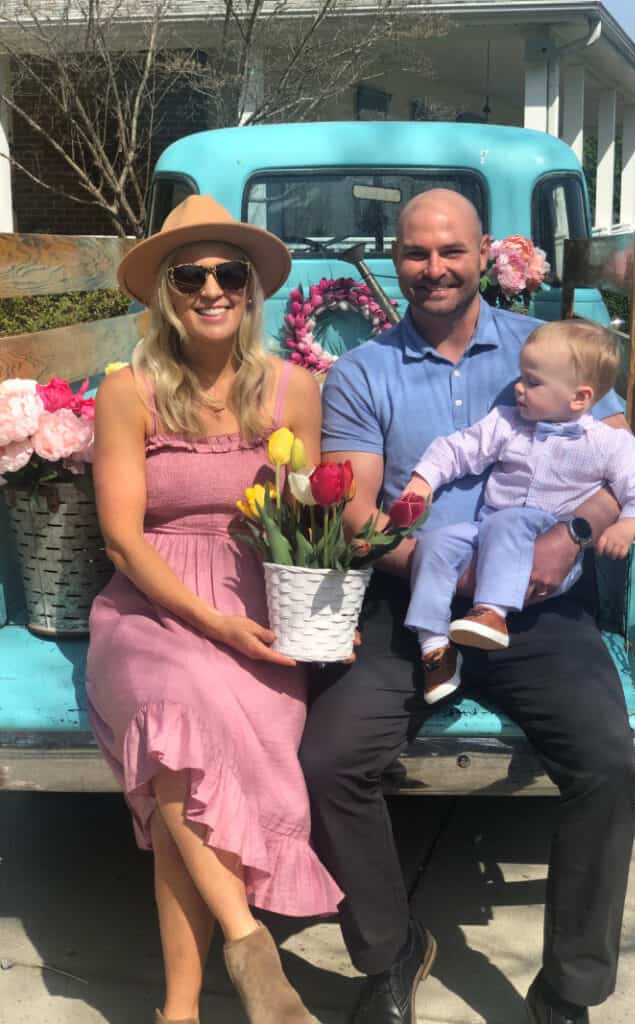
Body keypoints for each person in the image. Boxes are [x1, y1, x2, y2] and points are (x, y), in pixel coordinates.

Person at [300, 188, 635, 1024]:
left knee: (607, 765)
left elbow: (619, 463)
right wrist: (435, 571)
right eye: (416, 253)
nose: (434, 268)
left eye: (450, 251)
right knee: (328, 762)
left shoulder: (550, 348)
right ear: (394, 260)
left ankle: (569, 987)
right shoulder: (362, 372)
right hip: (408, 605)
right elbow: (357, 507)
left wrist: (568, 533)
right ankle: (390, 951)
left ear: (483, 251)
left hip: (537, 612)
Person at [86, 195, 342, 1024]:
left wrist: (329, 588)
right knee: (175, 714)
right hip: (151, 605)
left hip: (256, 605)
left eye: (227, 273)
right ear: (164, 291)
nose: (210, 289)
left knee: (181, 793)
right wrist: (213, 623)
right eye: (188, 274)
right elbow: (123, 540)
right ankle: (250, 946)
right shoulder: (127, 390)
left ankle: (180, 1013)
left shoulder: (295, 390)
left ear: (250, 290)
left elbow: (306, 520)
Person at [401, 319, 635, 703]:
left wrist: (629, 525)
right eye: (522, 377)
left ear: (579, 398)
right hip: (489, 533)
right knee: (434, 543)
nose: (519, 388)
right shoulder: (507, 423)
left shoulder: (610, 445)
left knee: (510, 520)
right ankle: (435, 649)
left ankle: (490, 612)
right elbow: (458, 449)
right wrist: (423, 482)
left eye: (533, 382)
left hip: (548, 544)